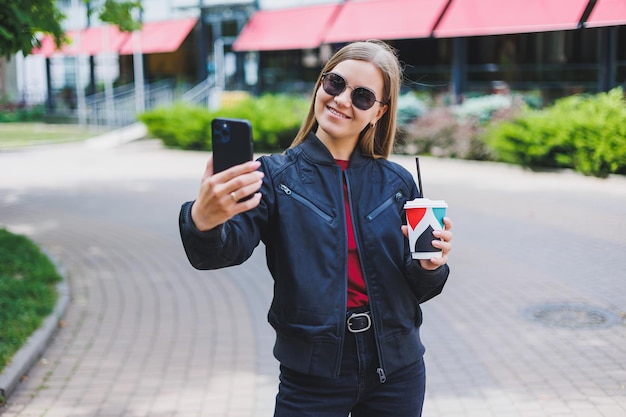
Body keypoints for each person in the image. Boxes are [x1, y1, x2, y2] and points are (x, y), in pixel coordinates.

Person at [179, 40, 453, 417]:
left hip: (397, 369)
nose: (342, 100)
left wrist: (430, 266)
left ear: (379, 112)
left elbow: (418, 288)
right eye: (335, 84)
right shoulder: (274, 178)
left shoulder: (398, 183)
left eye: (361, 96)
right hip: (312, 375)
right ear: (320, 85)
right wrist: (204, 219)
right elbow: (220, 251)